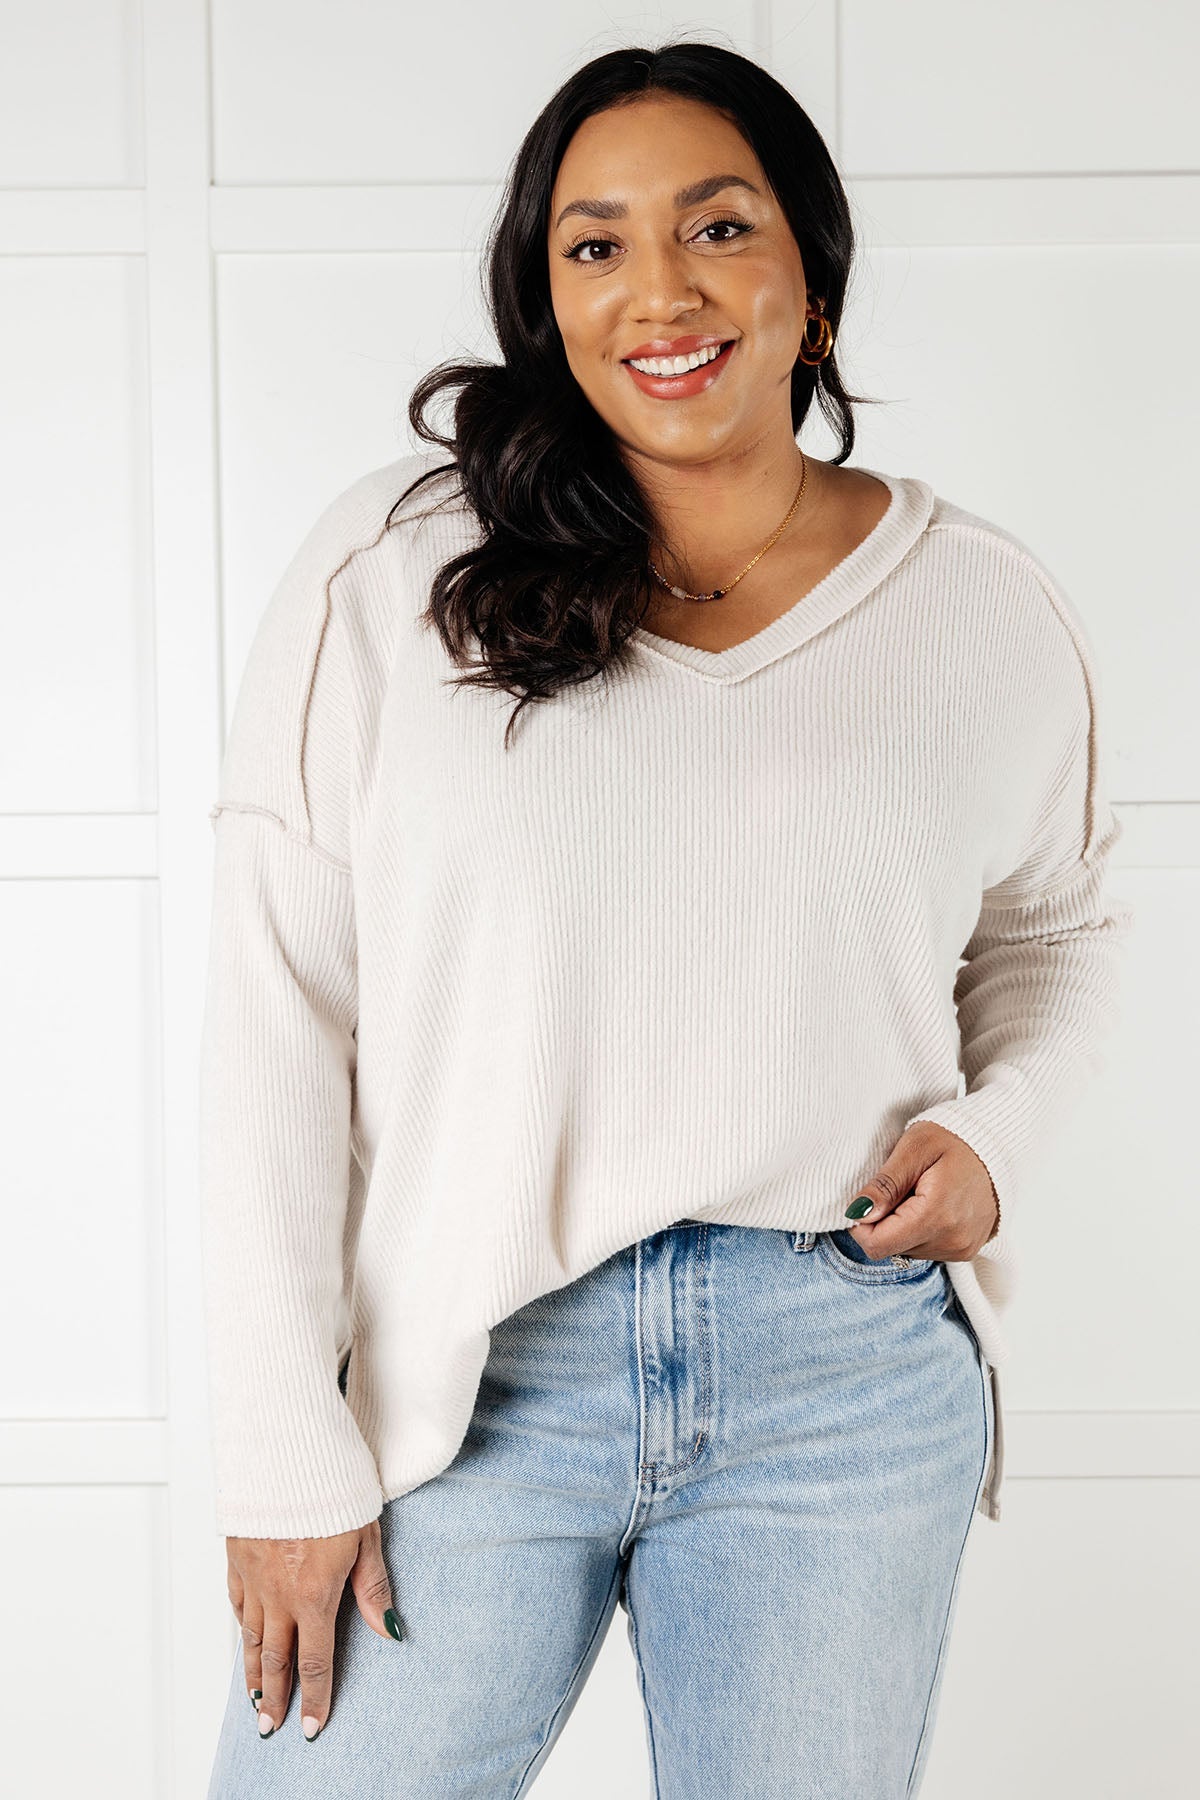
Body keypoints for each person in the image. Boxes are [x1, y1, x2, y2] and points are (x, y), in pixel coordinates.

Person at [200, 40, 1131, 1799]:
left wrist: (1000, 1134)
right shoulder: (392, 573)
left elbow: (1059, 933)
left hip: (839, 1373)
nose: (662, 292)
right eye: (596, 245)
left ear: (813, 282)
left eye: (718, 227)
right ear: (546, 303)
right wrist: (277, 1448)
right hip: (469, 1373)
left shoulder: (984, 609)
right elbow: (278, 1005)